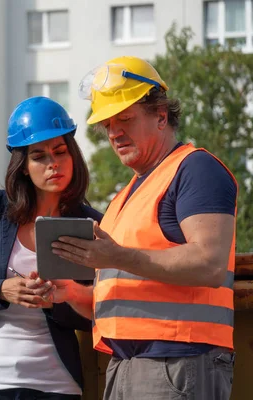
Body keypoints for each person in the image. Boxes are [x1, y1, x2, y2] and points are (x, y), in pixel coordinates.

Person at [48, 56, 238, 400]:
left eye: (125, 119)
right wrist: (71, 294)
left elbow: (209, 264)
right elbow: (132, 288)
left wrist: (117, 255)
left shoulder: (196, 169)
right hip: (131, 365)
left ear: (161, 116)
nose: (114, 132)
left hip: (177, 362)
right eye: (107, 124)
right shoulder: (125, 197)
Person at [0, 97, 102, 400]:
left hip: (55, 382)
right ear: (24, 167)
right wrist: (2, 289)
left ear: (73, 155)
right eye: (39, 156)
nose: (53, 163)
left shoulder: (92, 225)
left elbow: (101, 310)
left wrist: (61, 297)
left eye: (60, 151)